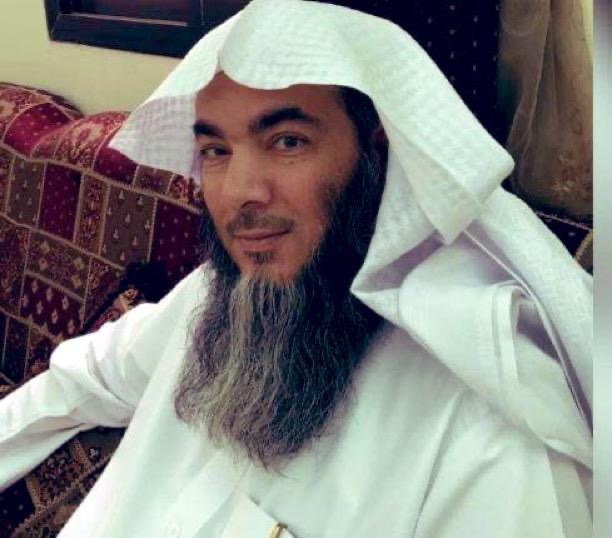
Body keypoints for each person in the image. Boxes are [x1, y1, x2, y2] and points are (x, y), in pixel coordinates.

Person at [0, 0, 592, 536]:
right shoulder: (216, 297)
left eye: (287, 141)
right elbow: (81, 379)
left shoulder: (486, 443)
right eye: (216, 150)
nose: (239, 193)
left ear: (378, 151)